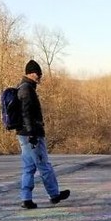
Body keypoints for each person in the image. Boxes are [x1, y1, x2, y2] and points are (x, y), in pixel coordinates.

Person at [15, 59, 70, 209]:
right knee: (44, 165)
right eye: (38, 73)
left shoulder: (22, 87)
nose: (40, 76)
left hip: (24, 133)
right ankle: (54, 194)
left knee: (29, 167)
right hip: (31, 134)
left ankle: (26, 199)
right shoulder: (27, 89)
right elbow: (26, 113)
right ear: (30, 73)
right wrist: (32, 133)